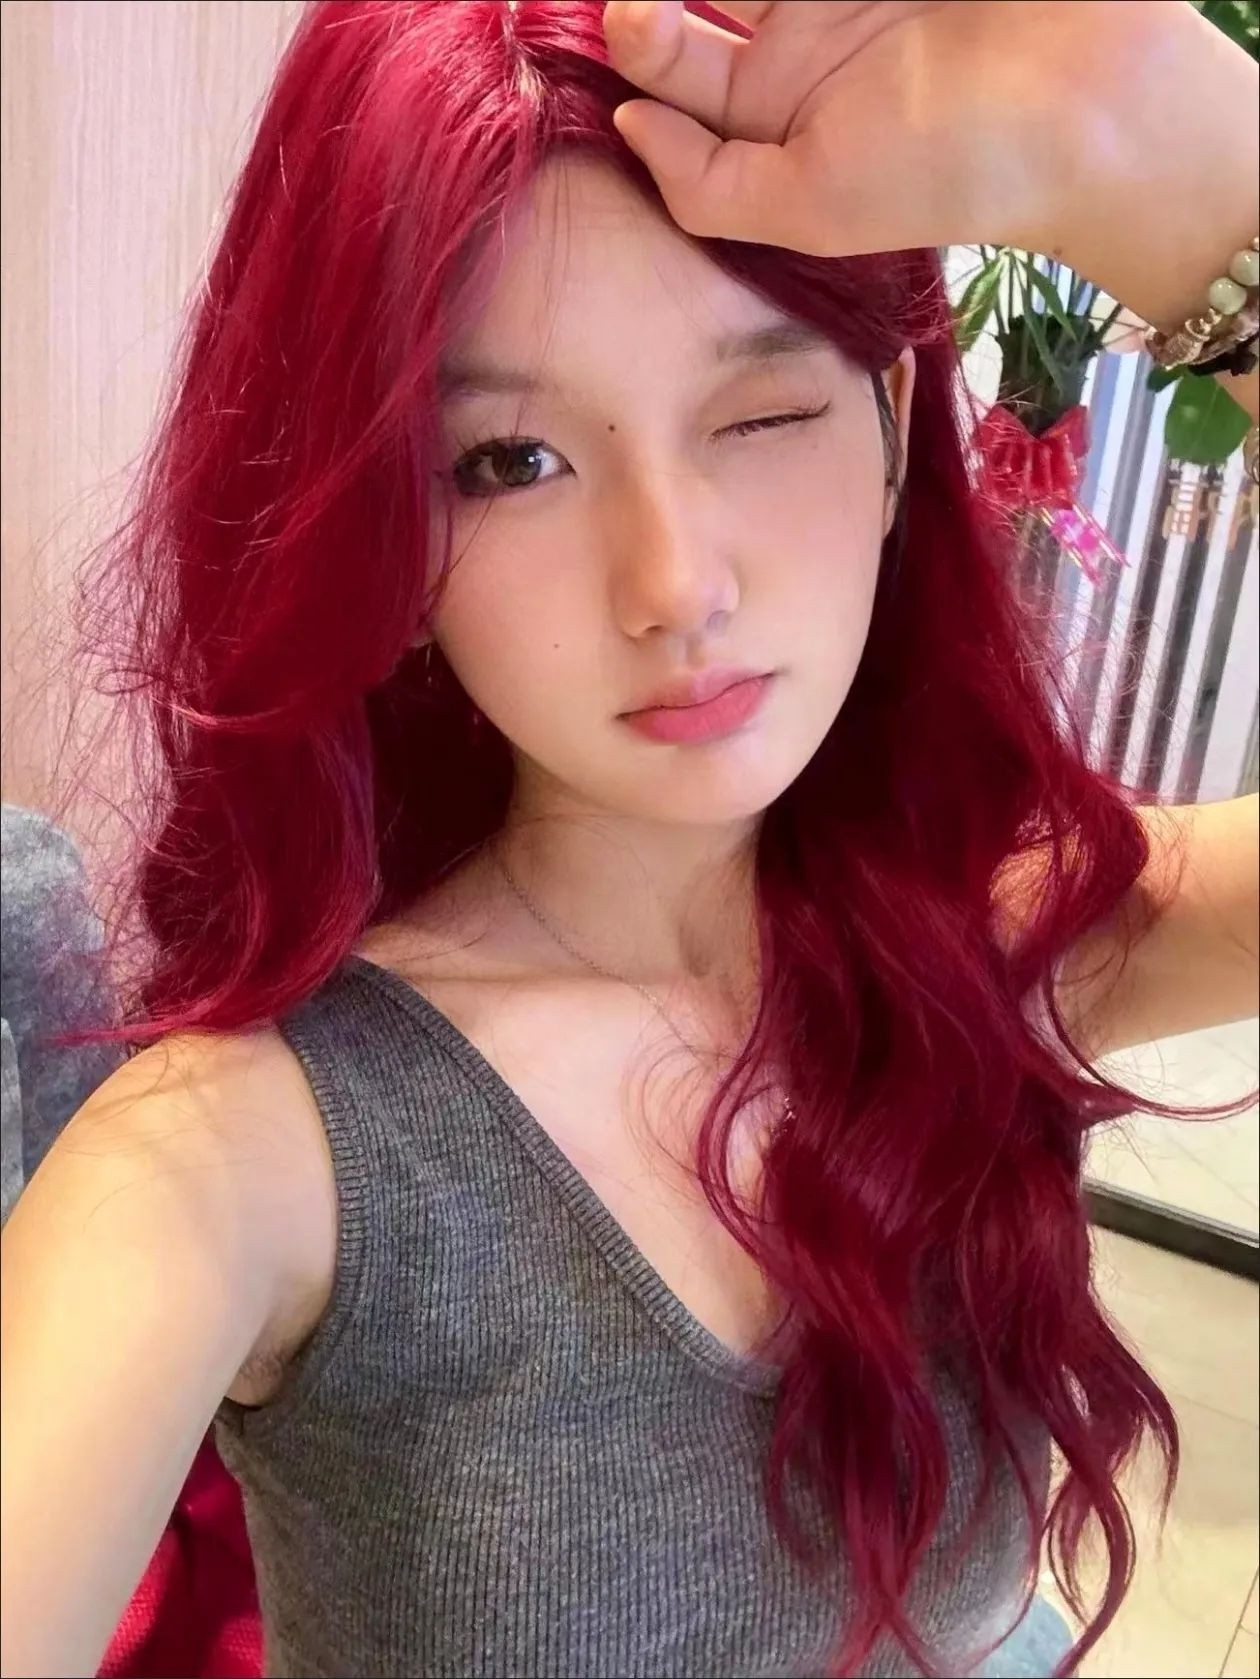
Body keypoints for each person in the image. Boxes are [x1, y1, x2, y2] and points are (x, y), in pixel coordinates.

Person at [2, 3, 1257, 1676]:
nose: (674, 584)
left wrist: (1197, 172)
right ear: (389, 539)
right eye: (510, 460)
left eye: (761, 414)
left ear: (895, 432)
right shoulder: (244, 1159)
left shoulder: (990, 940)